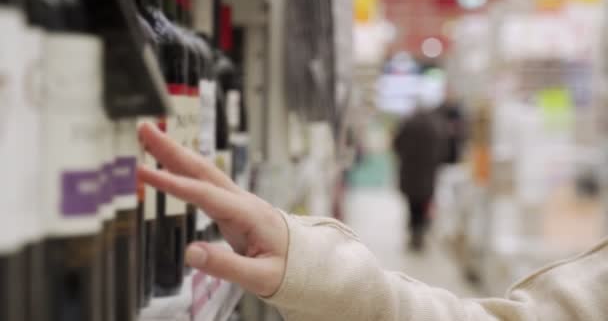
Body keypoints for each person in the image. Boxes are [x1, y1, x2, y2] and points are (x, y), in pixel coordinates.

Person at [138, 122, 608, 321]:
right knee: (417, 210)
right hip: (416, 181)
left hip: (412, 178)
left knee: (415, 209)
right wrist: (314, 271)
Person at [392, 104, 444, 250]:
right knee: (423, 204)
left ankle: (414, 232)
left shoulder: (408, 124)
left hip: (410, 173)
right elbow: (442, 150)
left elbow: (396, 144)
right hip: (427, 173)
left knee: (412, 205)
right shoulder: (435, 126)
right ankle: (420, 232)